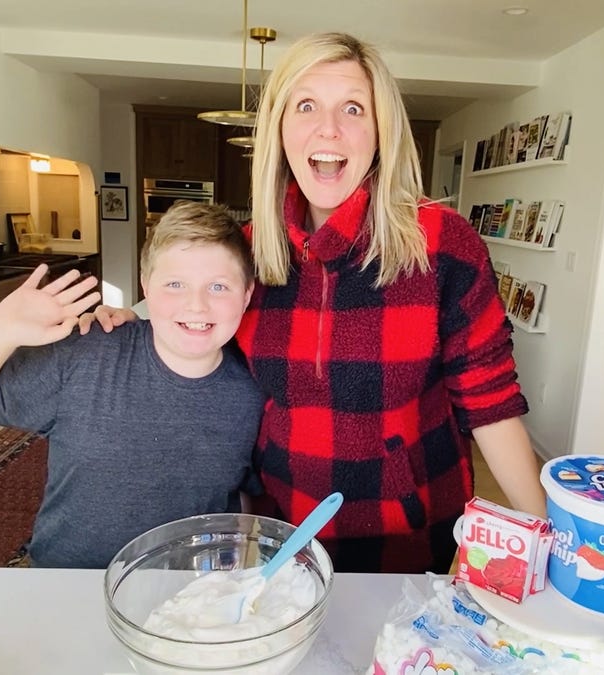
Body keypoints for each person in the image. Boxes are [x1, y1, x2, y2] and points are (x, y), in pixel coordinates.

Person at [82, 32, 545, 574]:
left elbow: (492, 404)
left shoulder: (442, 244)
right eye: (306, 106)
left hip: (413, 537)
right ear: (279, 128)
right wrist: (129, 321)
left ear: (380, 133)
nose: (329, 129)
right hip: (285, 540)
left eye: (353, 108)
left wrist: (545, 538)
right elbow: (190, 316)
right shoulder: (250, 251)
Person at [0, 202, 264, 568]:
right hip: (70, 582)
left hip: (187, 594)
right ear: (145, 287)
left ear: (247, 294)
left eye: (218, 286)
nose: (196, 305)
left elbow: (241, 496)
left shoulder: (254, 389)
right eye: (175, 284)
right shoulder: (86, 352)